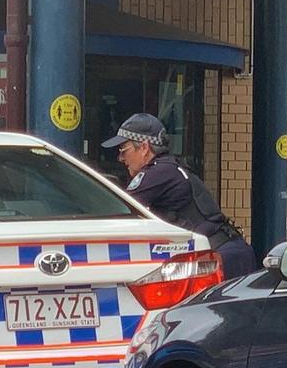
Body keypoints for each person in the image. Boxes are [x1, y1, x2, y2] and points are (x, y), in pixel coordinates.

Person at [102, 113, 258, 279]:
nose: (120, 158)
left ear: (144, 148)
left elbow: (118, 209)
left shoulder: (157, 174)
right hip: (230, 252)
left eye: (123, 150)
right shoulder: (171, 168)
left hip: (218, 257)